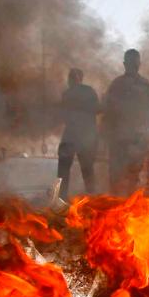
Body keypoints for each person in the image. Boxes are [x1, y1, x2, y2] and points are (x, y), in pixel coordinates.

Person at [104, 49, 149, 193]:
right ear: (139, 64)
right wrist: (145, 126)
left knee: (117, 177)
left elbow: (107, 111)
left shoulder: (117, 84)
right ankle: (129, 208)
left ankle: (118, 207)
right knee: (134, 178)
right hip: (137, 138)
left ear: (124, 64)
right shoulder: (145, 85)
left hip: (120, 139)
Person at [57, 68, 98, 200]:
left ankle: (61, 198)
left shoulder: (67, 94)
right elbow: (97, 109)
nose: (69, 80)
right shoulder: (89, 91)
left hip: (71, 135)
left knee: (63, 169)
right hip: (85, 136)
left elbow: (62, 116)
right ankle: (92, 198)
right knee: (87, 169)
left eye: (70, 77)